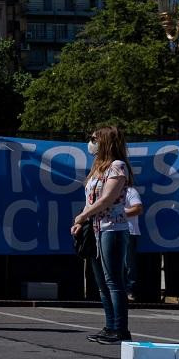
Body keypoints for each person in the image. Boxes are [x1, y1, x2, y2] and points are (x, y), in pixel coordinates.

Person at [71, 125, 134, 344]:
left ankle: (120, 329)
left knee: (113, 280)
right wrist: (83, 220)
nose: (91, 143)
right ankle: (109, 326)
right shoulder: (98, 168)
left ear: (105, 142)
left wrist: (81, 217)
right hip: (96, 229)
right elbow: (91, 201)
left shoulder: (117, 167)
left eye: (95, 139)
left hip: (112, 229)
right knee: (101, 282)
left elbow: (107, 199)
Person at [124, 186, 143, 302]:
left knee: (128, 262)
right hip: (108, 230)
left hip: (128, 231)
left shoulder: (130, 191)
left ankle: (129, 290)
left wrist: (118, 212)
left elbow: (138, 209)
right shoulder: (104, 190)